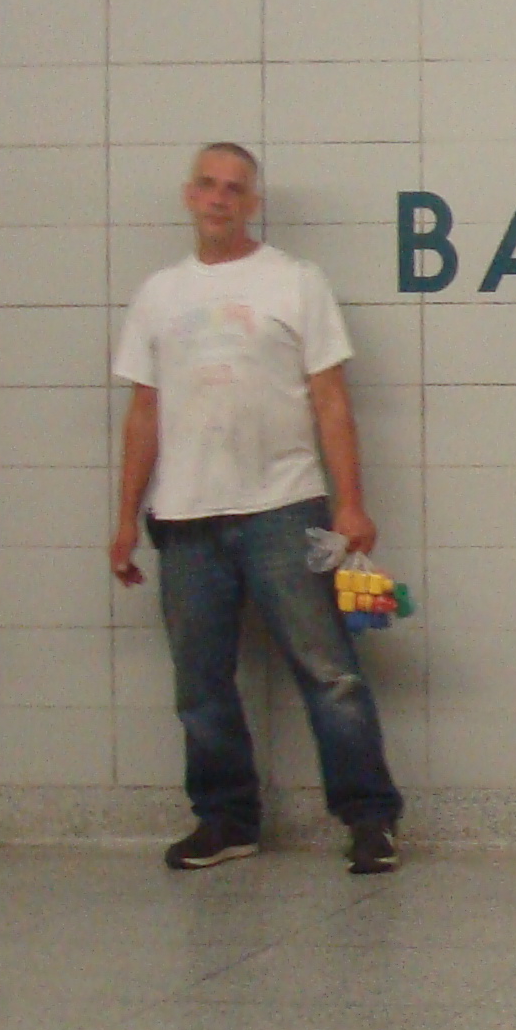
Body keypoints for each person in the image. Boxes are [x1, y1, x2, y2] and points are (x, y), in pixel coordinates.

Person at [109, 142, 404, 874]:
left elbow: (332, 402)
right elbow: (142, 414)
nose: (219, 198)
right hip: (184, 519)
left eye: (234, 189)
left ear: (253, 202)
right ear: (189, 195)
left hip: (284, 506)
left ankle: (369, 819)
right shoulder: (158, 295)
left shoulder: (295, 283)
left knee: (329, 672)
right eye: (208, 185)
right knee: (200, 682)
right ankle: (225, 819)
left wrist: (352, 504)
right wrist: (123, 519)